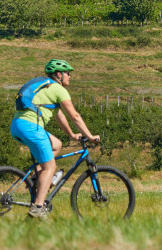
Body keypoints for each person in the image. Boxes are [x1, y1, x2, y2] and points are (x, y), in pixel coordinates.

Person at [10, 59, 99, 218]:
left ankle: (37, 177)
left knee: (57, 144)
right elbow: (75, 116)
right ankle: (38, 207)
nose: (70, 77)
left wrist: (71, 135)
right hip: (32, 127)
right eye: (68, 74)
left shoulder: (47, 87)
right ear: (59, 74)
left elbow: (60, 116)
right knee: (50, 167)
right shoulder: (58, 89)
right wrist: (90, 136)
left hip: (18, 125)